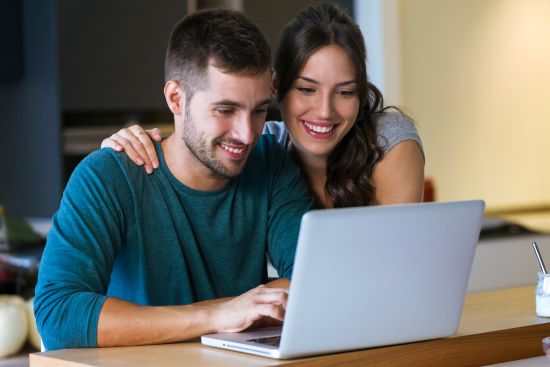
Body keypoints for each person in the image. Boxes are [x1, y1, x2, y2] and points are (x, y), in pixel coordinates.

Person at [34, 9, 313, 350]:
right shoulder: (107, 176)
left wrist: (236, 309)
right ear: (176, 99)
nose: (247, 133)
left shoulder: (271, 163)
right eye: (225, 110)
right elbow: (57, 316)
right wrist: (216, 316)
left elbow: (311, 283)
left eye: (258, 111)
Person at [102, 3, 425, 209]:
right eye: (306, 89)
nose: (325, 111)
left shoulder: (387, 138)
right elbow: (196, 147)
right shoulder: (262, 144)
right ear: (276, 86)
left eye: (344, 92)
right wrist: (124, 150)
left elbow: (394, 259)